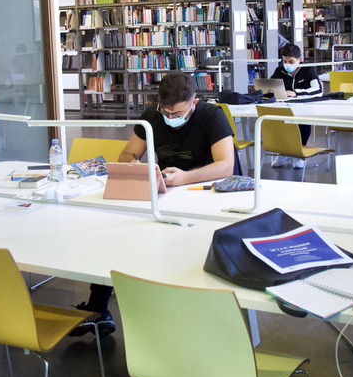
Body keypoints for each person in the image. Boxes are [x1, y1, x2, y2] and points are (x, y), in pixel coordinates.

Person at [71, 72, 236, 336]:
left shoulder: (212, 116)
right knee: (114, 228)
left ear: (194, 102)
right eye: (166, 112)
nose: (171, 119)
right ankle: (98, 307)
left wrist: (184, 177)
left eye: (178, 113)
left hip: (203, 193)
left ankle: (190, 311)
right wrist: (137, 165)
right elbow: (126, 154)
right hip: (165, 192)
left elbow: (227, 166)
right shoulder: (151, 117)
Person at [269, 43, 322, 169]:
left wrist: (296, 93)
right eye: (285, 61)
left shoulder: (309, 70)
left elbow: (318, 90)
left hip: (305, 107)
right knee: (277, 122)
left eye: (291, 61)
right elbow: (270, 86)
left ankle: (299, 153)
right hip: (285, 107)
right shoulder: (280, 70)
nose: (288, 65)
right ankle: (284, 152)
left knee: (302, 121)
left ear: (299, 60)